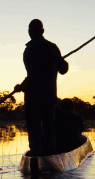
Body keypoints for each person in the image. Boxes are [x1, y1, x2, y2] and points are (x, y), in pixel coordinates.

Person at [14, 19, 69, 156]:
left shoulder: (29, 50)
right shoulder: (52, 48)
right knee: (49, 131)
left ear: (29, 32)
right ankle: (50, 158)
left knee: (35, 131)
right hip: (49, 99)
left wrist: (21, 87)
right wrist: (62, 61)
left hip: (33, 100)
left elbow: (33, 74)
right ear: (42, 31)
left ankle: (37, 159)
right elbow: (63, 69)